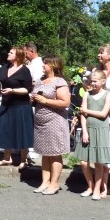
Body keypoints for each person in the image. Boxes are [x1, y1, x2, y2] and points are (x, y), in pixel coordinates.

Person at [30, 55, 70, 195]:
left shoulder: (60, 81)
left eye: (45, 63)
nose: (43, 66)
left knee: (54, 153)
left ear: (53, 65)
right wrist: (33, 98)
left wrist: (45, 101)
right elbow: (37, 96)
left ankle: (54, 184)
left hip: (55, 121)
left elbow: (65, 102)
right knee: (45, 153)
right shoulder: (41, 80)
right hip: (41, 121)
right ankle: (45, 182)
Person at [0, 47, 34, 167]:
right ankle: (7, 158)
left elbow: (27, 89)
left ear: (18, 56)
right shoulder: (5, 67)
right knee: (6, 131)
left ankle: (23, 160)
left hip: (21, 106)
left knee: (22, 133)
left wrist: (13, 90)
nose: (8, 53)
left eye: (11, 52)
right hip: (7, 104)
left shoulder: (24, 70)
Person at [74, 70, 110, 200]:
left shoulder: (108, 95)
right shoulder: (87, 94)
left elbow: (103, 114)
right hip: (88, 129)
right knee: (84, 162)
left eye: (95, 81)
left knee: (98, 162)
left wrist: (87, 111)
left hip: (101, 130)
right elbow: (83, 115)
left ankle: (97, 189)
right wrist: (84, 131)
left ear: (103, 81)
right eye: (91, 81)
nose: (93, 83)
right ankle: (90, 186)